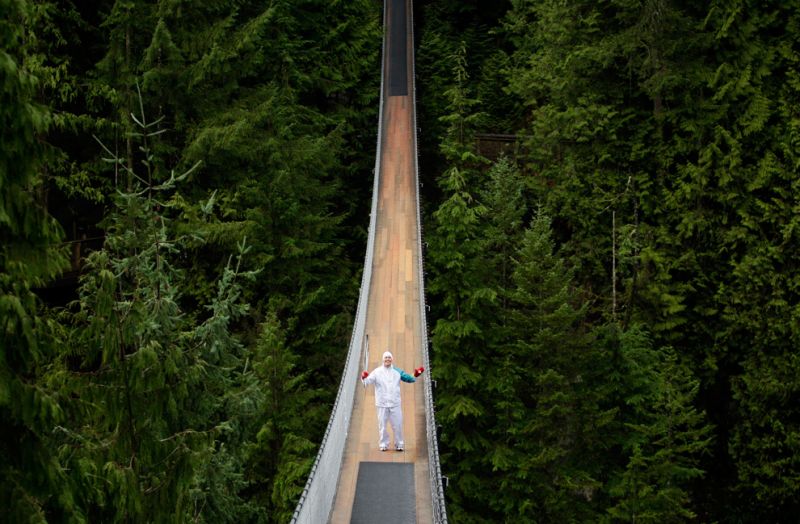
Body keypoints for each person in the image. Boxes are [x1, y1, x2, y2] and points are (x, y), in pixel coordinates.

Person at [361, 351, 424, 451]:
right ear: (383, 359)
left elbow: (408, 378)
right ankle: (383, 444)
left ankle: (399, 444)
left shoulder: (397, 371)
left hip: (395, 403)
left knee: (398, 425)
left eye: (389, 357)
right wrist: (364, 377)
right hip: (382, 404)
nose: (387, 359)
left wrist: (415, 375)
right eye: (386, 357)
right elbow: (367, 381)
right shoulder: (377, 372)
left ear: (392, 359)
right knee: (382, 426)